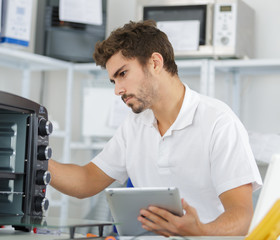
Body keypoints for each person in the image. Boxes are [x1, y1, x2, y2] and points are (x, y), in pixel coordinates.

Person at [48, 20, 262, 237]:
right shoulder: (134, 126)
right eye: (113, 81)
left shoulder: (218, 122)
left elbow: (242, 217)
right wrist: (37, 161)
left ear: (155, 63)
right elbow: (86, 180)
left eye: (123, 74)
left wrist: (200, 231)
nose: (118, 90)